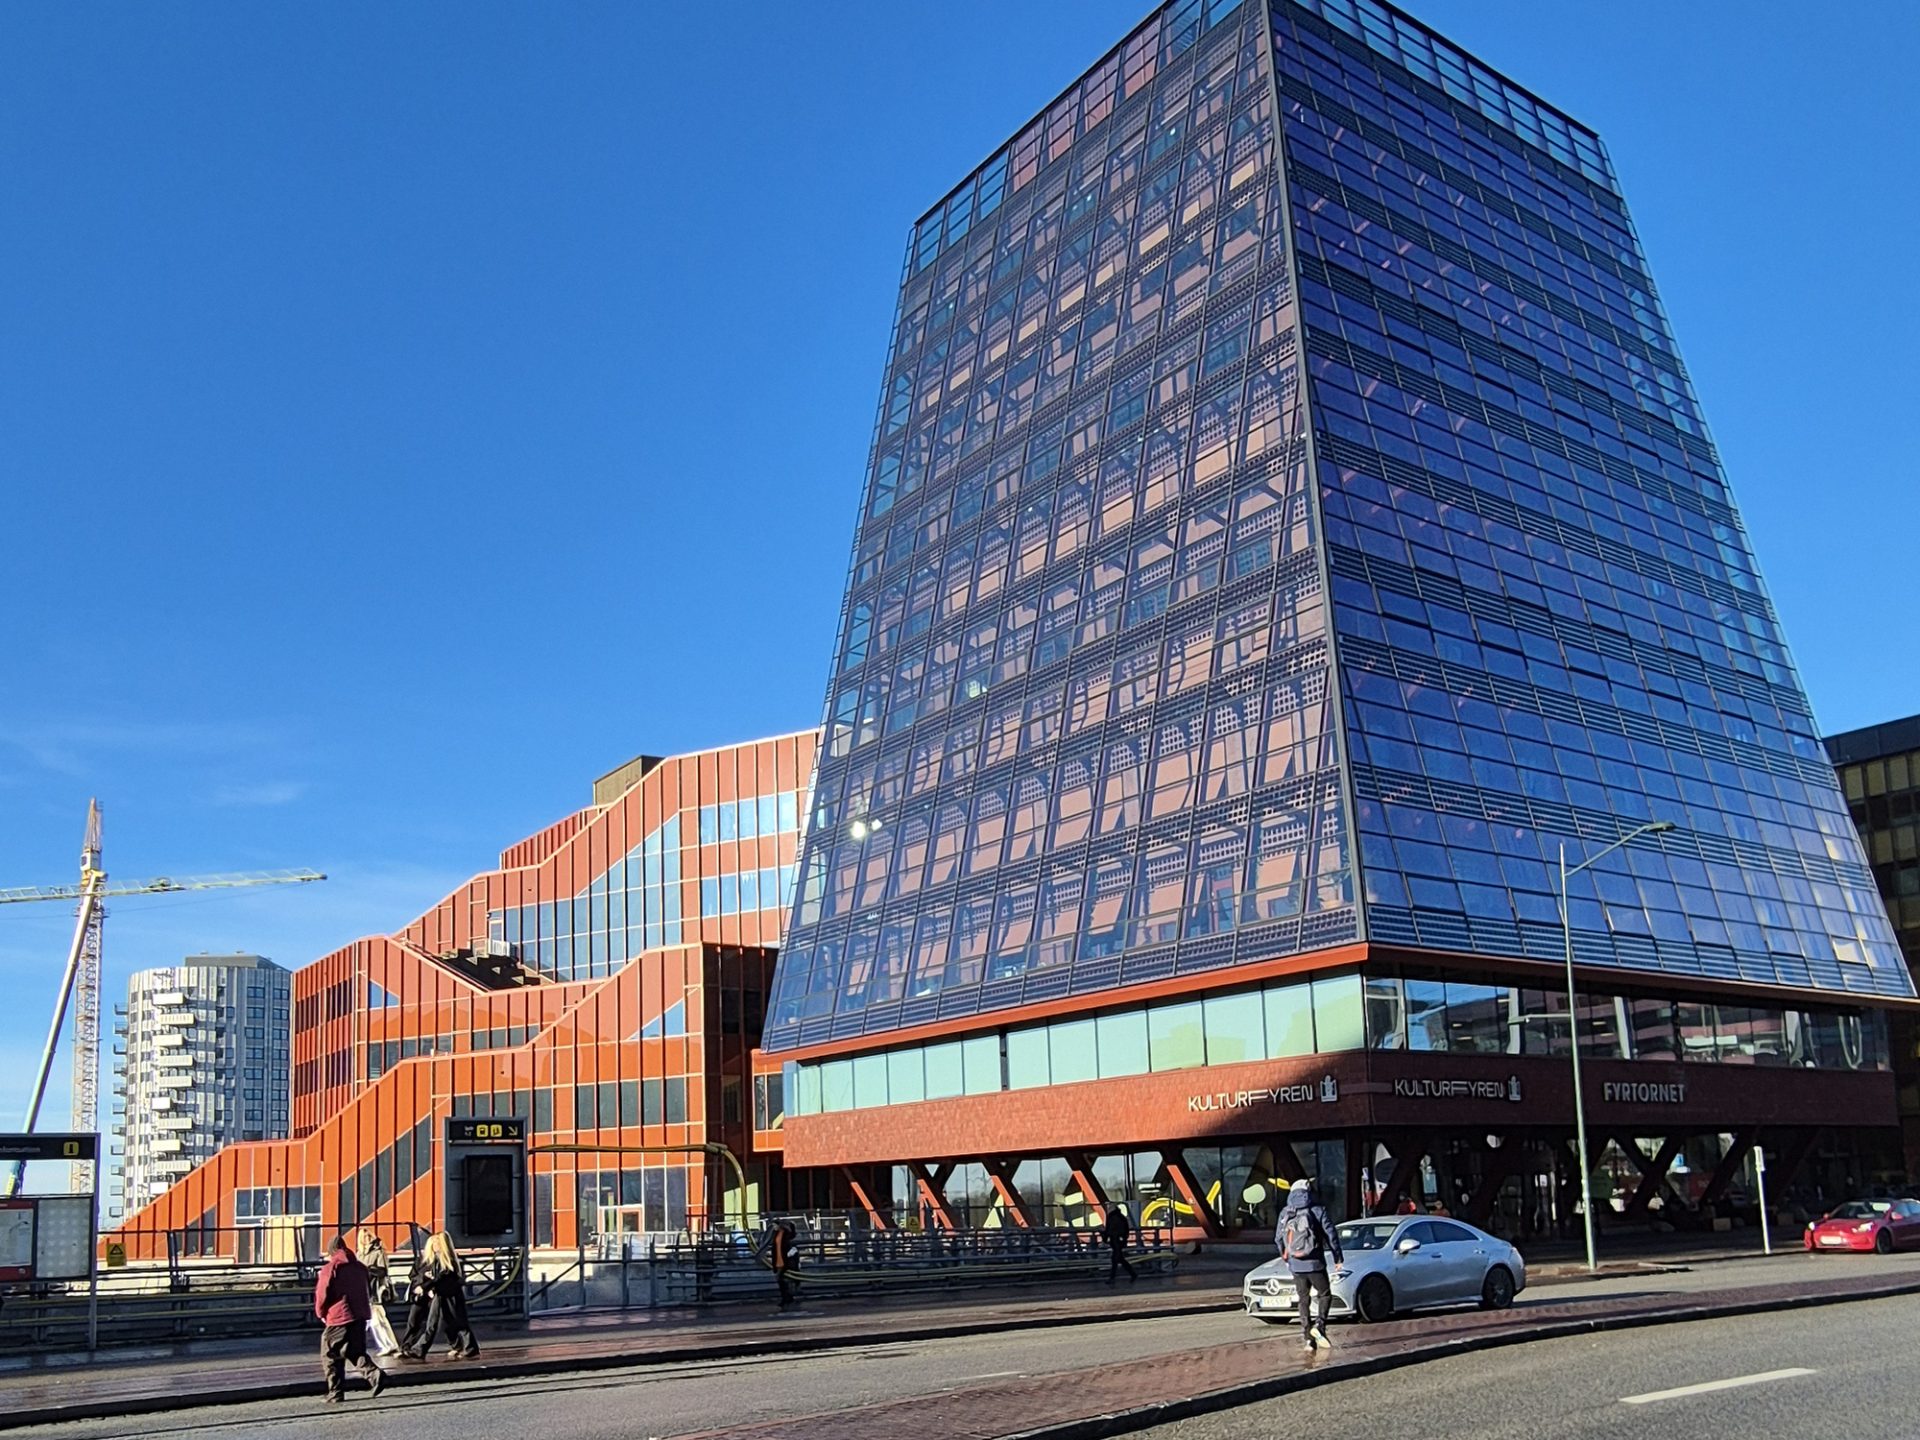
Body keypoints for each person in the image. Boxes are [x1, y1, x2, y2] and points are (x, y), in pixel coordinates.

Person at [313, 1235, 386, 1404]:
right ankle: (375, 1375)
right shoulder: (360, 1267)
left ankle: (335, 1392)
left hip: (338, 1316)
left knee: (330, 1355)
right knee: (355, 1351)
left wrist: (320, 1313)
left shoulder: (331, 1269)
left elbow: (322, 1295)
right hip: (360, 1314)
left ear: (331, 1250)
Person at [1277, 1178, 1343, 1354]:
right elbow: (1331, 1235)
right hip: (1315, 1263)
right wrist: (1338, 1257)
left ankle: (1307, 1338)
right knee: (1324, 1294)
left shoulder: (1285, 1212)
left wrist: (1287, 1258)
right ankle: (1320, 1326)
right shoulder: (1317, 1210)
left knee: (1303, 1299)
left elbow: (1278, 1238)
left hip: (1296, 1266)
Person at [400, 1232, 478, 1359]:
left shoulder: (448, 1260)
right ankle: (420, 1349)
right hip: (440, 1294)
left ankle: (469, 1347)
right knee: (438, 1323)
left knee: (455, 1322)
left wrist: (425, 1286)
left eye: (438, 1243)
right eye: (433, 1242)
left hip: (449, 1295)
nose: (435, 1245)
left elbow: (441, 1277)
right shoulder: (433, 1259)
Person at [769, 1220, 801, 1309]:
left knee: (781, 1279)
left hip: (784, 1260)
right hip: (779, 1259)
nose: (774, 1227)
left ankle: (786, 1298)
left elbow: (791, 1237)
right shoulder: (776, 1234)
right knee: (781, 1280)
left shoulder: (786, 1234)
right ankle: (788, 1298)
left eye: (775, 1225)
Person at [358, 1227, 394, 1304]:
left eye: (369, 1236)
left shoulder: (379, 1251)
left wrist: (370, 1269)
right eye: (364, 1237)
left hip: (375, 1286)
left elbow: (383, 1271)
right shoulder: (359, 1254)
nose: (367, 1238)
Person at [1103, 1202, 1137, 1283]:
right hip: (1119, 1240)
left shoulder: (1112, 1218)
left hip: (1115, 1240)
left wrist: (1105, 1237)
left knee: (1115, 1259)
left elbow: (1110, 1229)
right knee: (1119, 1258)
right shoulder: (1121, 1217)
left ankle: (1112, 1278)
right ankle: (1132, 1274)